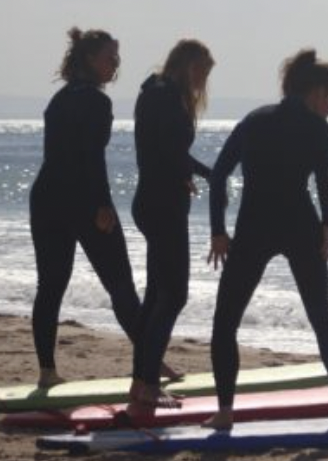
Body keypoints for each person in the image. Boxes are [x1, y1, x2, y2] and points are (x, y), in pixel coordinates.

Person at [205, 48, 328, 430]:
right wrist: (327, 227)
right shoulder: (318, 129)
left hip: (254, 228)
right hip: (301, 226)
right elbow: (325, 180)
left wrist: (218, 230)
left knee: (225, 322)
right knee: (321, 315)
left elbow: (219, 174)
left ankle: (225, 412)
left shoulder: (255, 120)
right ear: (318, 92)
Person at [29, 27, 139, 389]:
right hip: (83, 201)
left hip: (47, 199)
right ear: (90, 59)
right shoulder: (96, 102)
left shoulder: (59, 99)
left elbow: (60, 156)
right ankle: (149, 364)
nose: (115, 64)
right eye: (110, 57)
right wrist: (103, 204)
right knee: (120, 283)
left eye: (117, 57)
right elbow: (92, 157)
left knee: (50, 286)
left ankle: (47, 372)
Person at [129, 39, 215, 411]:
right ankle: (148, 384)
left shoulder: (157, 92)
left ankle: (140, 382)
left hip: (153, 200)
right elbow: (166, 149)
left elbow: (166, 150)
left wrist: (199, 173)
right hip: (162, 205)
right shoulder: (165, 96)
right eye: (203, 71)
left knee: (156, 295)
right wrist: (192, 172)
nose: (203, 80)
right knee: (174, 295)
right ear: (189, 65)